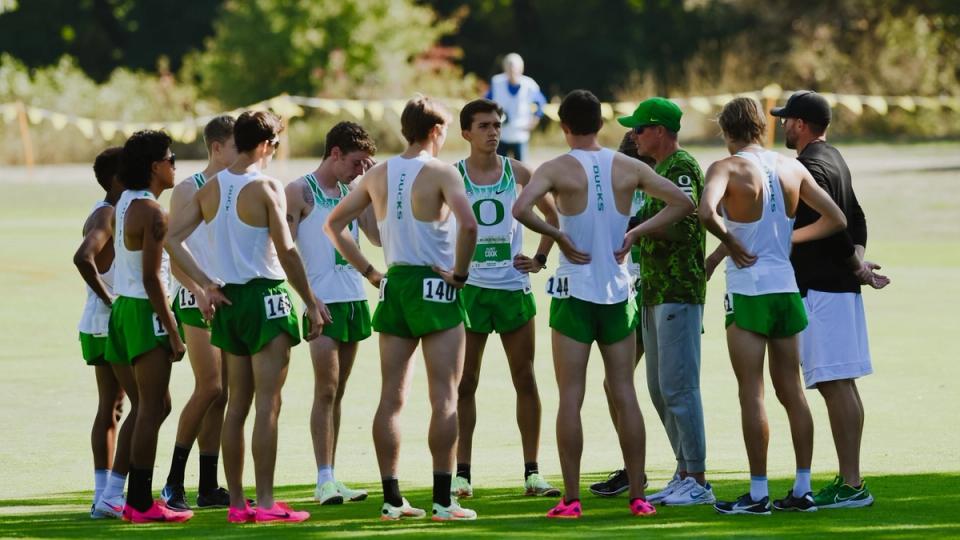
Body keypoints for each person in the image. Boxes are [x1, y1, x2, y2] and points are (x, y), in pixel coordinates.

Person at [513, 89, 695, 519]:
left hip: (574, 292)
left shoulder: (556, 168)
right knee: (625, 394)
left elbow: (522, 208)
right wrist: (635, 233)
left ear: (564, 126)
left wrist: (557, 235)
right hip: (617, 293)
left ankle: (572, 500)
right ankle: (638, 496)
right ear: (601, 123)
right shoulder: (628, 165)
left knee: (570, 397)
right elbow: (684, 203)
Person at [324, 95, 480, 521]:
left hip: (395, 284)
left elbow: (333, 225)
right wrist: (461, 275)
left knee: (391, 397)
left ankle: (392, 499)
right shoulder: (442, 172)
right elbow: (469, 224)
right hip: (435, 283)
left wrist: (373, 274)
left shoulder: (377, 174)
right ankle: (444, 500)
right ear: (435, 131)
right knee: (444, 396)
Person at [166, 110, 324, 524]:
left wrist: (204, 283)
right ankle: (267, 502)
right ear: (267, 145)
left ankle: (237, 504)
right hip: (265, 297)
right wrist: (309, 300)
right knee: (268, 404)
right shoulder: (266, 185)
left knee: (236, 405)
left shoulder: (211, 188)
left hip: (228, 302)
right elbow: (287, 252)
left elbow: (171, 239)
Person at [699, 97, 847, 515]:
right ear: (762, 126)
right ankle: (803, 489)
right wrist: (786, 242)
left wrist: (729, 242)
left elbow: (705, 212)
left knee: (753, 393)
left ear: (726, 132)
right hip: (786, 287)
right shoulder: (791, 166)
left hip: (748, 292)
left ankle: (759, 494)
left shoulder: (726, 168)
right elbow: (836, 218)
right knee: (792, 392)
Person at [772, 90, 889, 509]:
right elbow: (857, 219)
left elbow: (837, 224)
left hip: (822, 289)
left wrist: (784, 240)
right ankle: (850, 479)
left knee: (834, 385)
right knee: (841, 384)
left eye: (787, 119)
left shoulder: (809, 166)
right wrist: (856, 261)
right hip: (837, 287)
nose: (783, 125)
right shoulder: (834, 157)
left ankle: (852, 485)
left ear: (801, 124)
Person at [451, 98, 560, 499]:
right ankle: (461, 473)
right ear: (466, 132)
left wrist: (540, 257)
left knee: (525, 379)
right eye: (483, 126)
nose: (493, 132)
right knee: (465, 383)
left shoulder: (518, 173)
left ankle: (532, 472)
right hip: (470, 291)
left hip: (513, 289)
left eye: (497, 125)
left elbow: (554, 219)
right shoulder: (452, 176)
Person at [616, 98, 713, 506]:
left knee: (679, 387)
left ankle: (699, 479)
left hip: (678, 290)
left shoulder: (682, 168)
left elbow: (686, 221)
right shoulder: (658, 171)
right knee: (658, 387)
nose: (634, 136)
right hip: (654, 291)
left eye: (639, 129)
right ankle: (683, 470)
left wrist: (639, 231)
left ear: (659, 130)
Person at [285, 121, 379, 505]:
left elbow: (374, 236)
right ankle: (322, 479)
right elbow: (284, 251)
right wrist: (307, 299)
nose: (360, 169)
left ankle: (332, 475)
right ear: (335, 153)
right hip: (321, 300)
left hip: (353, 298)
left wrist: (371, 187)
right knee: (324, 389)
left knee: (338, 392)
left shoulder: (352, 191)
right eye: (356, 162)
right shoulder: (299, 190)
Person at [104, 130, 191, 523]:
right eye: (172, 160)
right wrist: (173, 330)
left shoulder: (124, 202)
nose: (176, 167)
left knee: (151, 406)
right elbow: (153, 277)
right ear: (155, 166)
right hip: (144, 311)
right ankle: (139, 502)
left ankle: (126, 494)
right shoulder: (154, 212)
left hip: (122, 310)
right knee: (151, 407)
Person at [161, 115, 238, 511]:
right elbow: (174, 254)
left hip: (226, 297)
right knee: (208, 386)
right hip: (195, 298)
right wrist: (198, 289)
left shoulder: (236, 188)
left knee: (222, 394)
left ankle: (209, 485)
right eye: (235, 146)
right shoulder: (189, 188)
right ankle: (173, 481)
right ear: (216, 148)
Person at [589, 131, 652, 498]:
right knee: (619, 384)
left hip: (637, 289)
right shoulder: (643, 186)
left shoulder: (628, 190)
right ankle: (634, 469)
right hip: (632, 289)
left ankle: (641, 471)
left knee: (625, 385)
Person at [73, 147, 128, 519]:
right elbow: (83, 257)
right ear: (115, 180)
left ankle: (103, 493)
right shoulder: (108, 213)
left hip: (98, 324)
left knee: (113, 407)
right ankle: (112, 493)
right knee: (135, 406)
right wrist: (111, 298)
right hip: (108, 323)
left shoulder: (108, 208)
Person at [485, 52, 546, 162]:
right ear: (504, 68)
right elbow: (485, 102)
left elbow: (541, 103)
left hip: (520, 134)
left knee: (522, 170)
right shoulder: (497, 82)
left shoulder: (529, 85)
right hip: (501, 134)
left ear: (521, 68)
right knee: (499, 168)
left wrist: (534, 121)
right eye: (509, 66)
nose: (512, 70)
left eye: (514, 67)